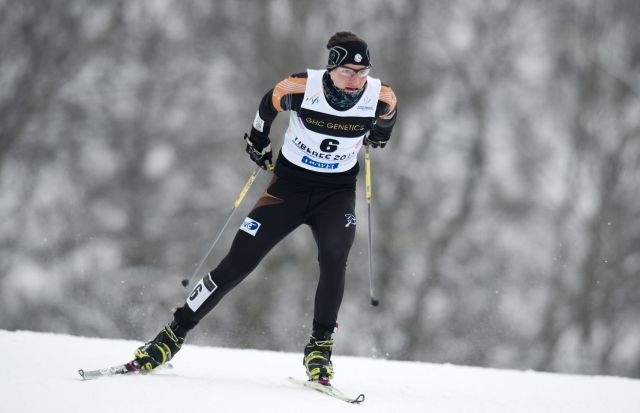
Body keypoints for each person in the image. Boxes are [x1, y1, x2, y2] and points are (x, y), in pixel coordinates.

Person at [132, 31, 398, 383]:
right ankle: (170, 336)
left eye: (362, 73)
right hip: (288, 189)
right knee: (238, 262)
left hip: (335, 194)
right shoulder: (301, 87)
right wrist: (258, 140)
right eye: (348, 71)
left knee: (335, 256)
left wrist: (381, 133)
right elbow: (267, 106)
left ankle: (319, 350)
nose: (355, 80)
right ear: (331, 67)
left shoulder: (380, 95)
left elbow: (389, 116)